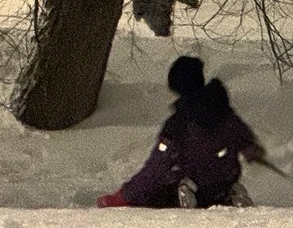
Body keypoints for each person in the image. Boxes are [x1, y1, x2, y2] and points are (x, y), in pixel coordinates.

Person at [98, 56, 264, 208]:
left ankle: (186, 190)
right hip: (224, 179)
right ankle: (230, 193)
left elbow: (157, 165)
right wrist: (249, 149)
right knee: (217, 175)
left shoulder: (178, 123)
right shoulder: (223, 113)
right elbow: (243, 138)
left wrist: (125, 195)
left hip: (197, 183)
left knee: (158, 190)